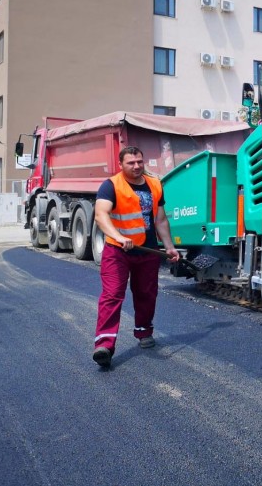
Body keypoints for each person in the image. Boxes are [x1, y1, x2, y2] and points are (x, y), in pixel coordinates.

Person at [92, 146, 179, 368]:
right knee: (112, 295)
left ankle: (144, 332)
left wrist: (169, 247)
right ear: (121, 165)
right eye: (131, 163)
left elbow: (160, 220)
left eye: (140, 161)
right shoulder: (110, 185)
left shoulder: (155, 185)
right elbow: (101, 216)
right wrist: (119, 237)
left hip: (147, 250)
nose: (137, 166)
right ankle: (104, 345)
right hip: (117, 251)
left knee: (147, 293)